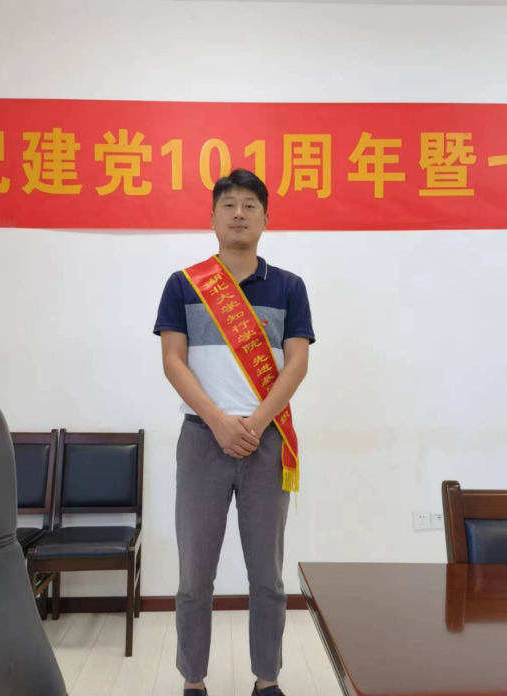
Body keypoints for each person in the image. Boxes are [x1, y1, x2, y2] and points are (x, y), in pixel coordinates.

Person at [153, 169, 315, 696]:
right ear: (213, 217)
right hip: (203, 440)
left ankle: (267, 680)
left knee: (267, 574)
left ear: (266, 218)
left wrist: (256, 423)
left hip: (266, 442)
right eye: (229, 204)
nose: (239, 213)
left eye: (250, 205)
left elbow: (297, 363)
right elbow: (173, 361)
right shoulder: (184, 284)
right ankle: (193, 680)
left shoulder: (289, 287)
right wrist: (220, 422)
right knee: (194, 575)